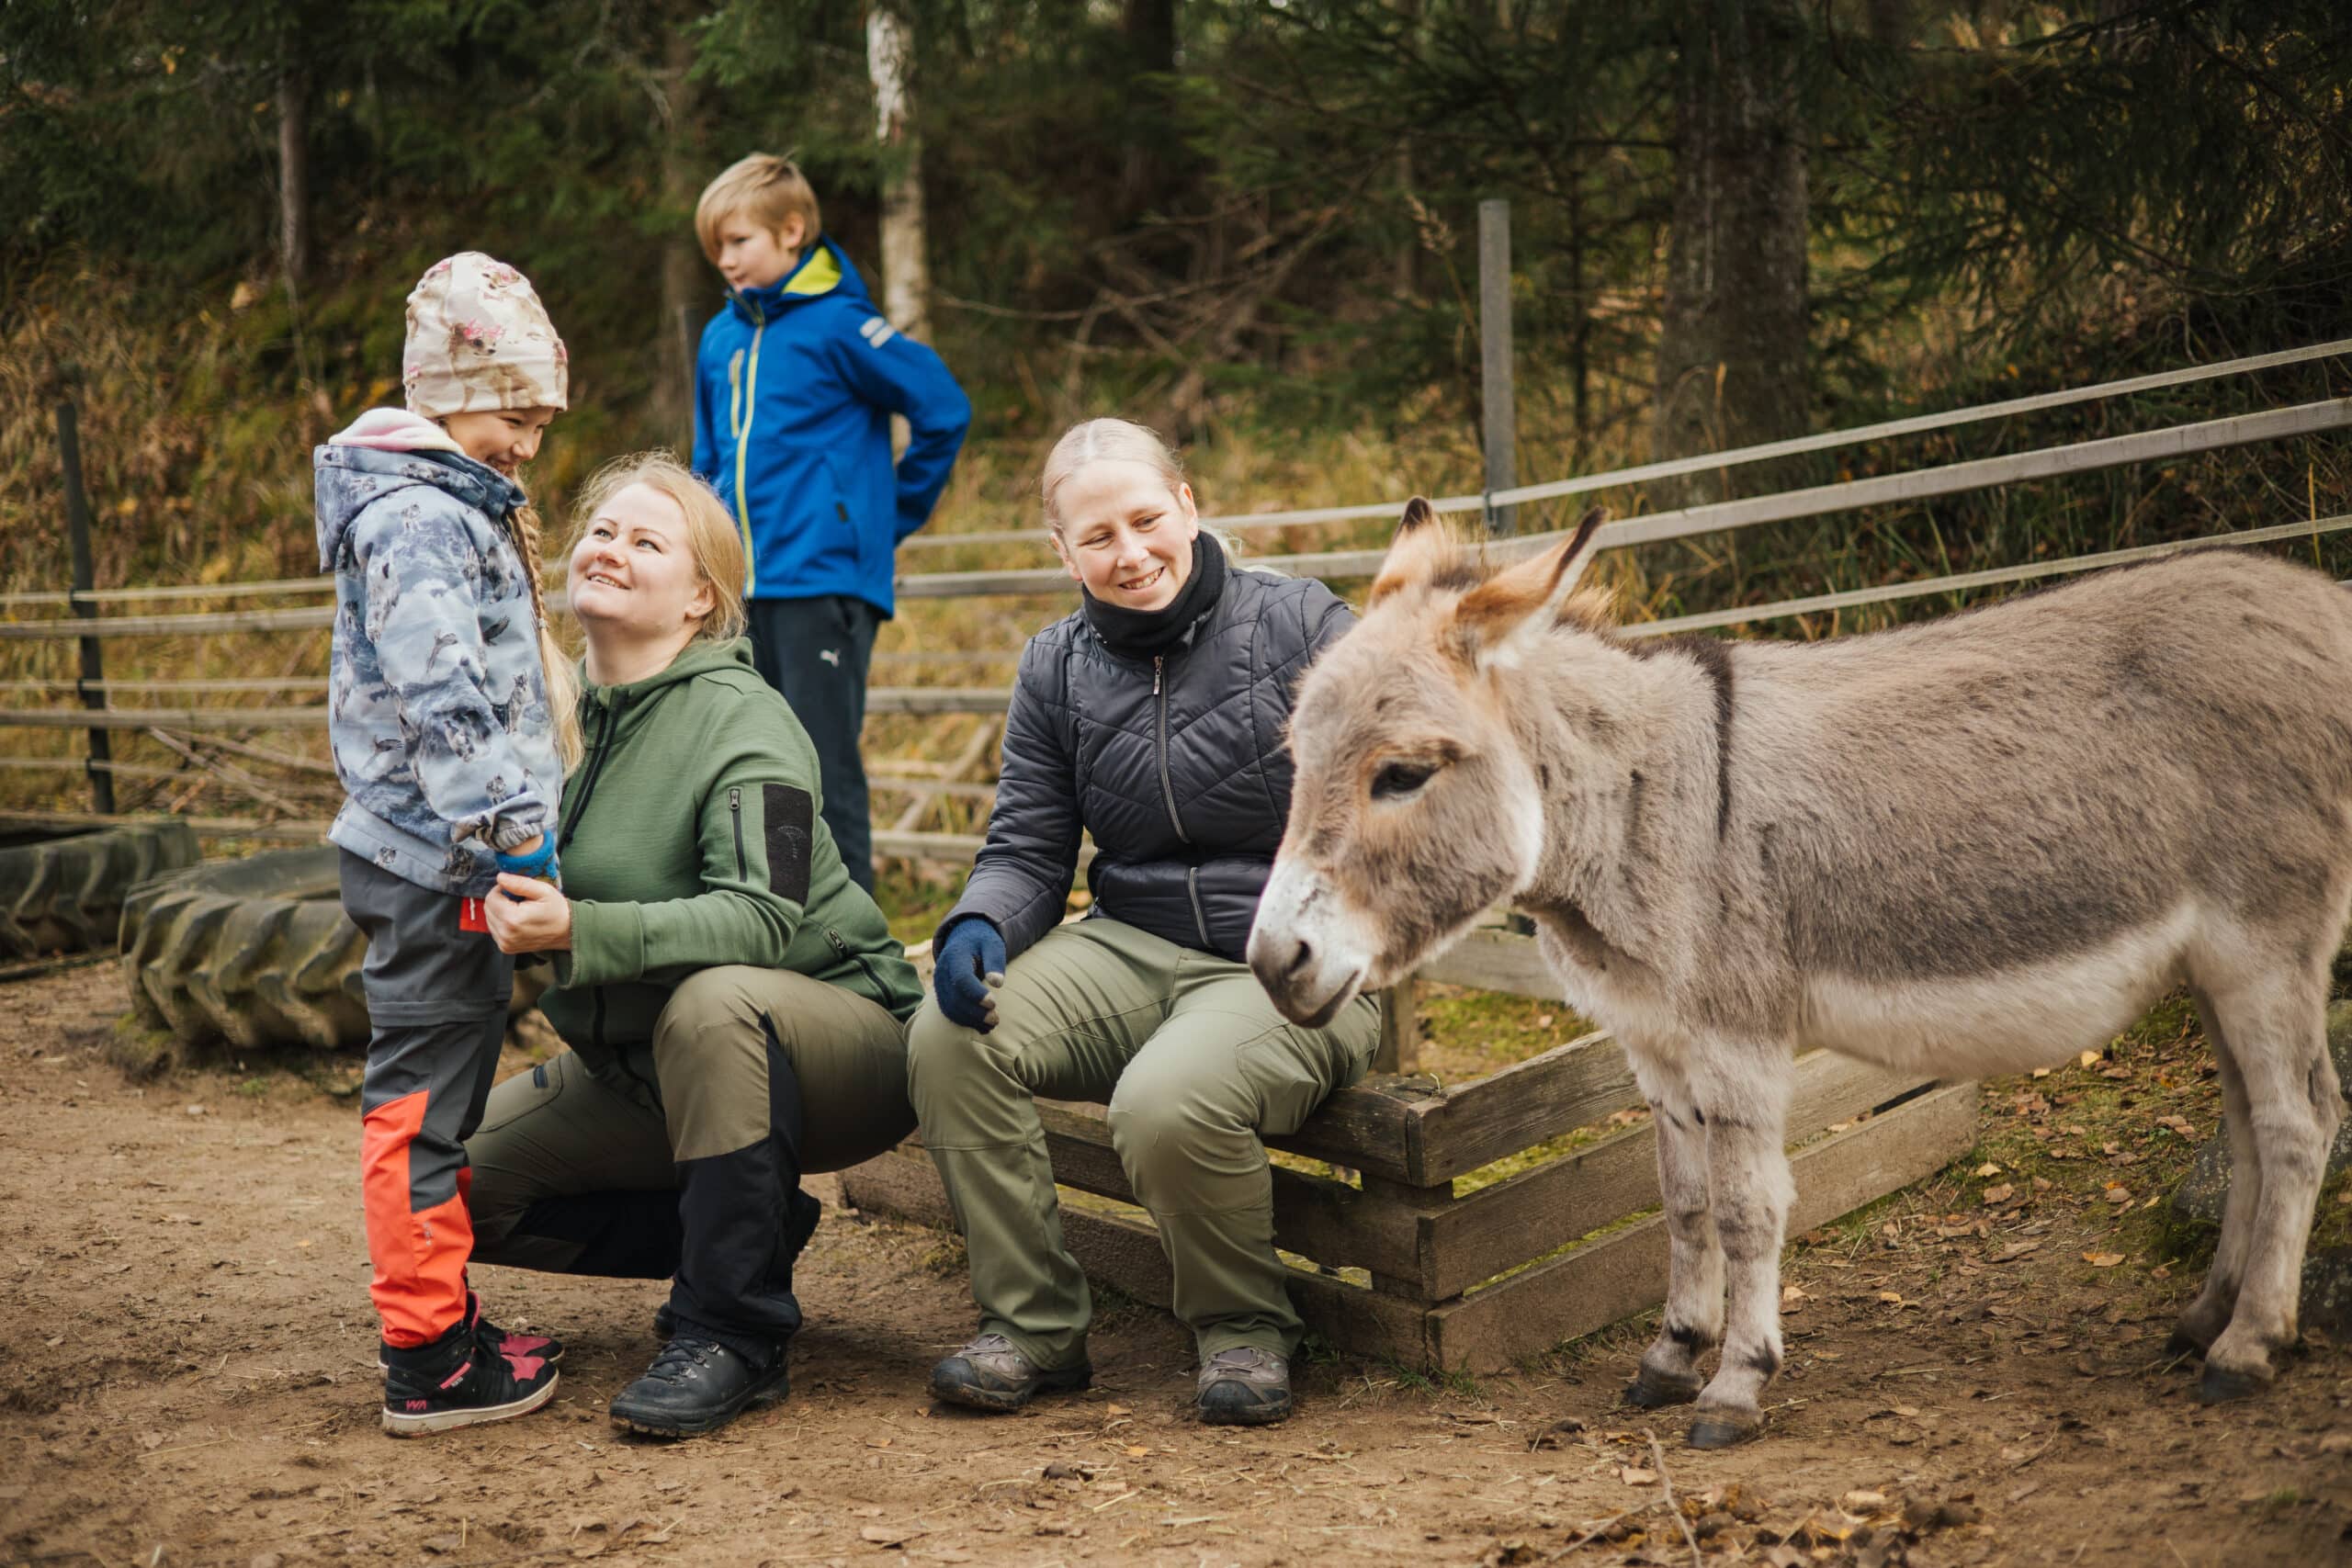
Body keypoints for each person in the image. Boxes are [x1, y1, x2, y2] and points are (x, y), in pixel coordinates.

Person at [905, 418, 1381, 1427]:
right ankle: (1032, 1329)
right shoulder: (1055, 668)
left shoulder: (1303, 628)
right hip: (1129, 940)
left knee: (1163, 1098)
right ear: (1061, 552)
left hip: (1291, 959)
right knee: (948, 1038)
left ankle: (1242, 1332)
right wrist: (978, 926)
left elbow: (1397, 794)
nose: (1130, 555)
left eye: (1146, 521)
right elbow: (1029, 847)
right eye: (1098, 537)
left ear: (1189, 506)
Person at [463, 454, 924, 1439]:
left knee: (718, 1000)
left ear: (700, 597)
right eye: (601, 531)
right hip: (638, 1073)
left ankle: (733, 1331)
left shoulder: (750, 725)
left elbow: (762, 919)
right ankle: (748, 1229)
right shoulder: (546, 715)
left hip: (840, 1046)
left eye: (646, 540)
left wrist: (581, 928)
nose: (611, 550)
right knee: (455, 1189)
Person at [316, 251, 577, 1437]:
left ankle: (445, 1315)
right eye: (517, 413)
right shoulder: (420, 517)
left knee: (449, 1082)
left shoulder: (446, 499)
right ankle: (425, 1354)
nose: (528, 441)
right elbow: (448, 700)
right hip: (435, 855)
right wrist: (516, 838)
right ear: (449, 392)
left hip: (438, 849)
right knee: (422, 1098)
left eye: (539, 419)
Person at [689, 151, 972, 895]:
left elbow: (943, 409)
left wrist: (882, 521)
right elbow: (706, 459)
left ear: (792, 231)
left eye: (739, 242)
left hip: (823, 581)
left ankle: (856, 952)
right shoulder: (719, 340)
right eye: (716, 247)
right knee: (753, 761)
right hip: (738, 589)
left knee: (820, 759)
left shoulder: (842, 326)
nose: (725, 261)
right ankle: (775, 919)